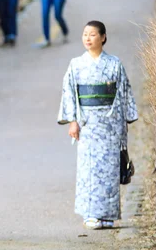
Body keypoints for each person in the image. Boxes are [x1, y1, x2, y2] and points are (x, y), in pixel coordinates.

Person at [57, 21, 138, 230]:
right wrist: (73, 121)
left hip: (110, 124)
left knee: (110, 169)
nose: (88, 38)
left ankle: (109, 215)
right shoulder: (76, 64)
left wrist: (124, 120)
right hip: (87, 123)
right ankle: (90, 214)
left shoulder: (114, 64)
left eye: (92, 34)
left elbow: (124, 92)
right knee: (88, 169)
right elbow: (69, 93)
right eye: (85, 34)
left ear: (103, 37)